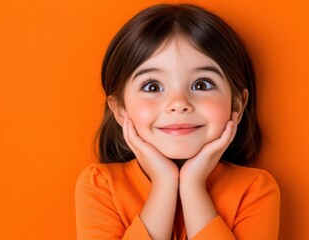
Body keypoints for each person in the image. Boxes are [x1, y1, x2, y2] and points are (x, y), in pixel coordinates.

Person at [75, 3, 280, 240]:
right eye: (152, 87)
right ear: (120, 110)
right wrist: (164, 184)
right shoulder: (101, 186)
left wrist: (193, 186)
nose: (179, 103)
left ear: (237, 104)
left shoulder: (255, 189)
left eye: (202, 84)